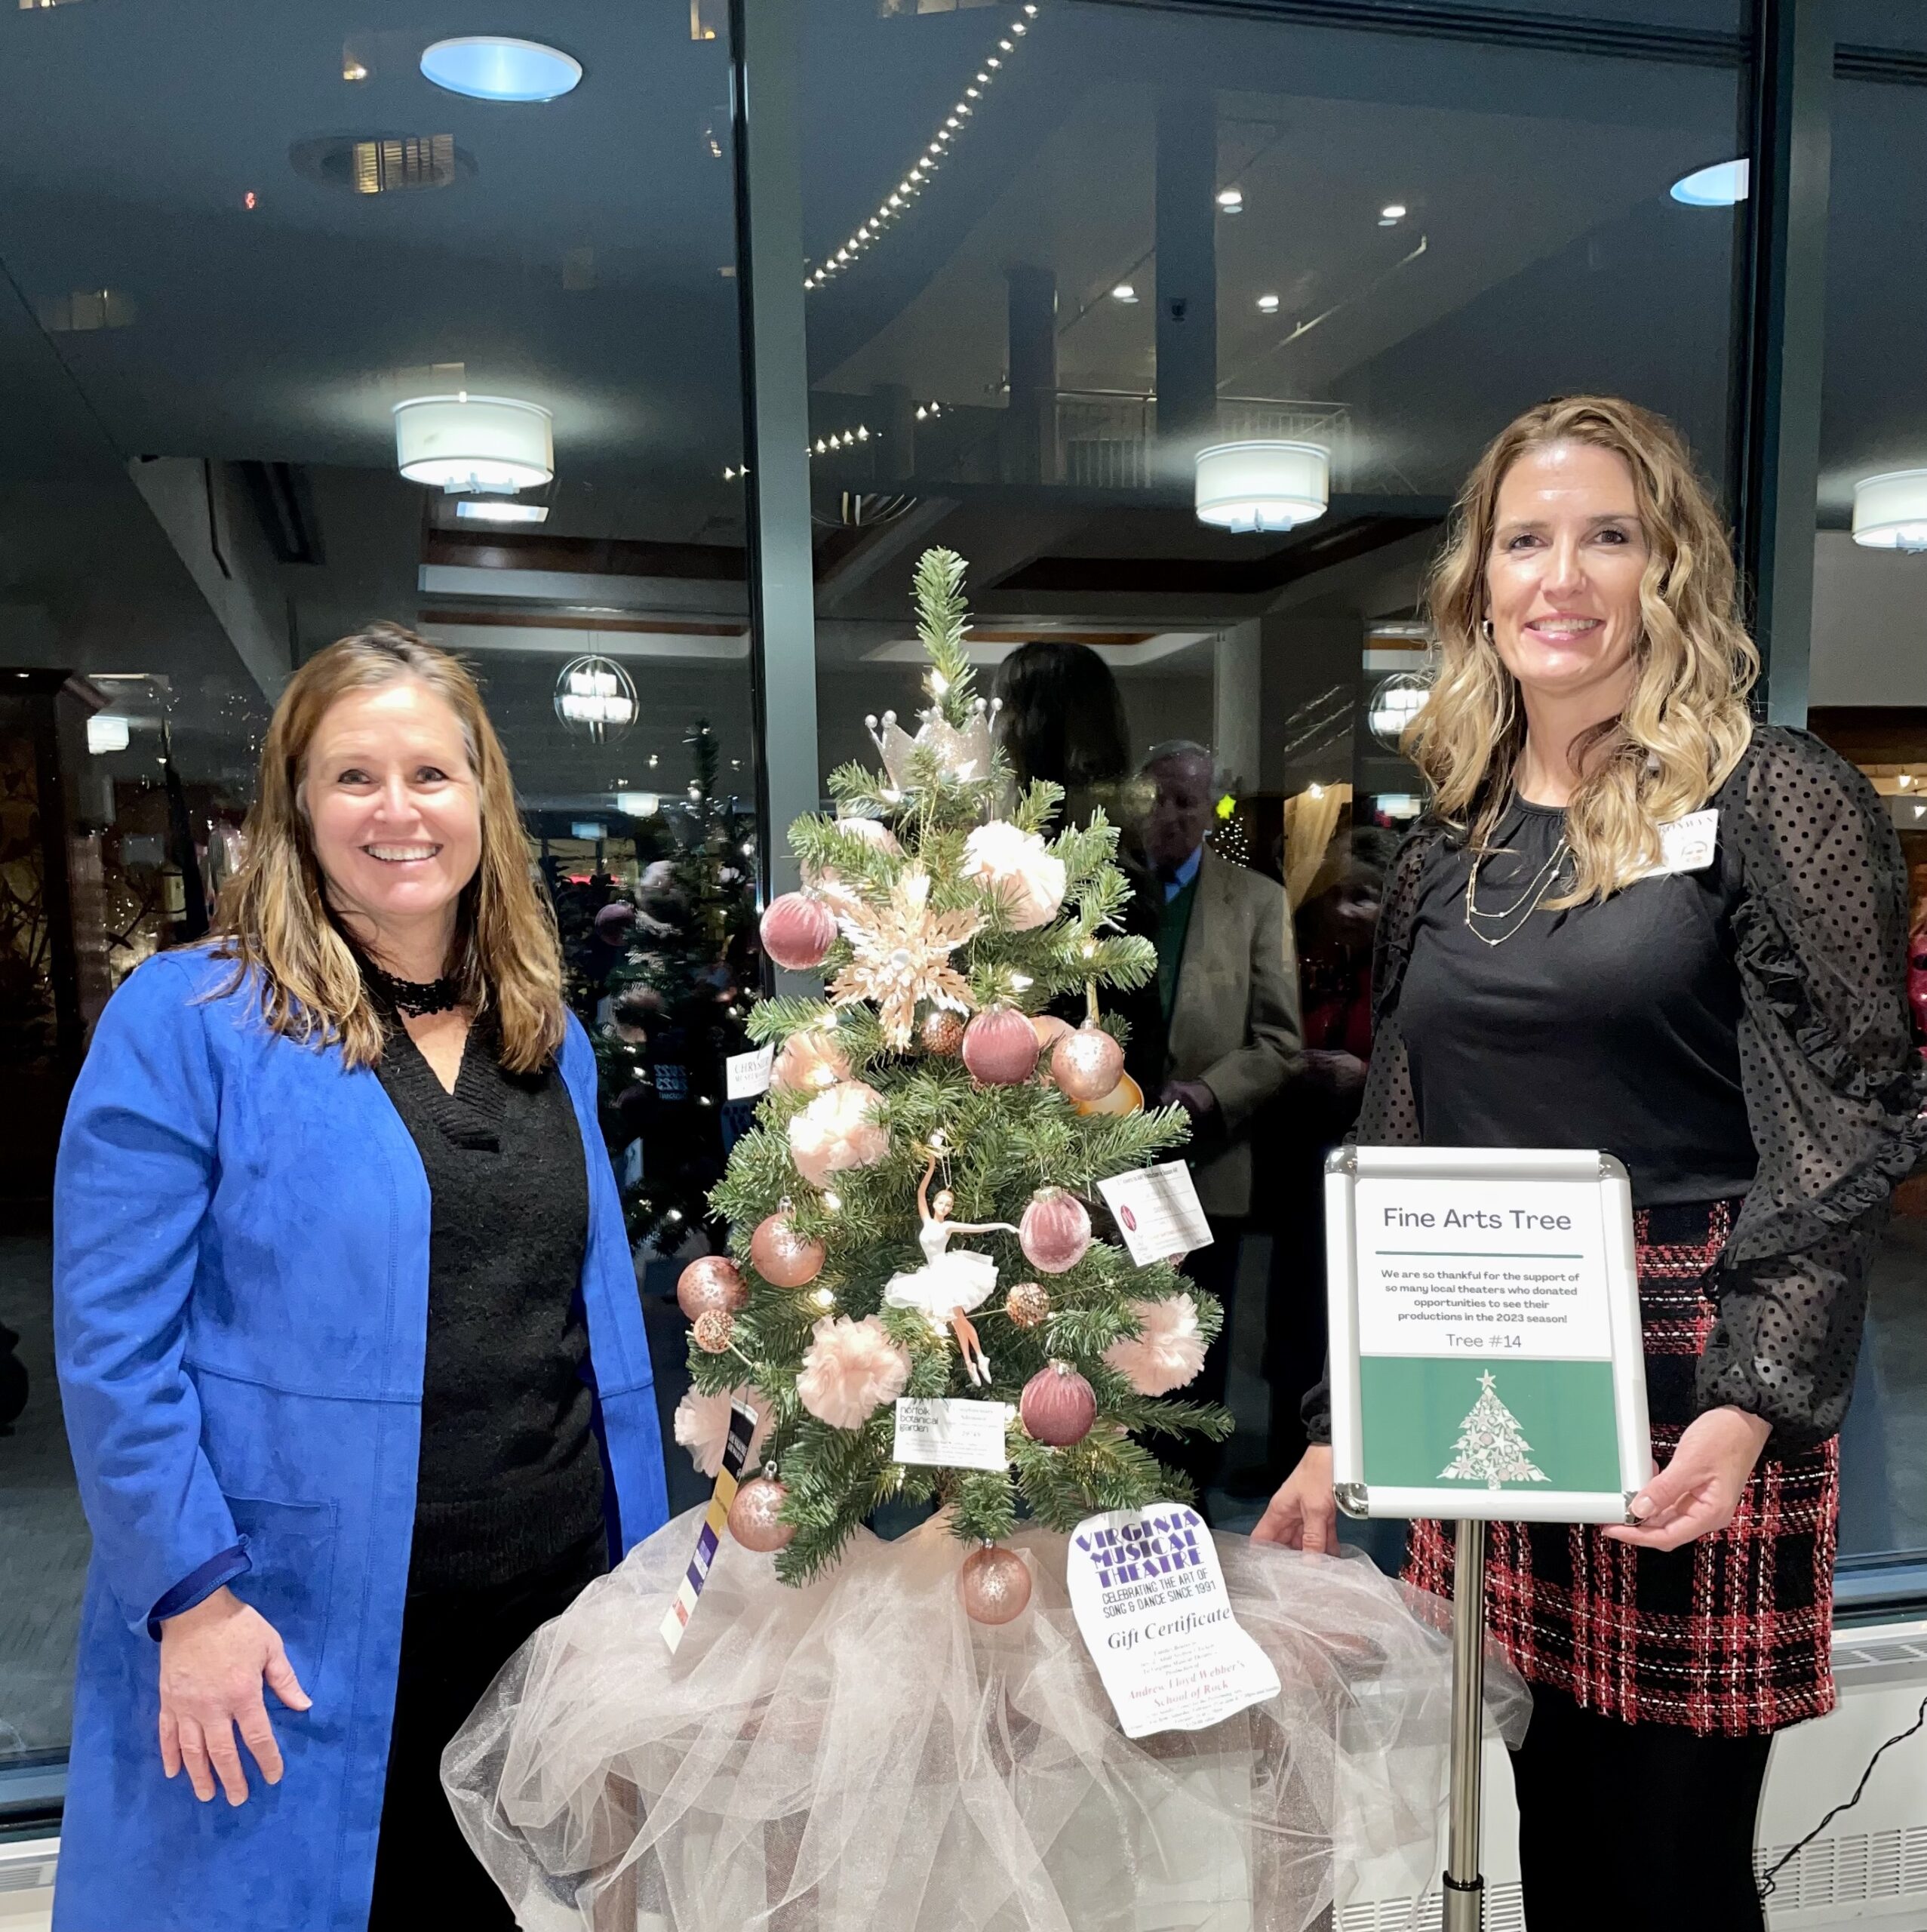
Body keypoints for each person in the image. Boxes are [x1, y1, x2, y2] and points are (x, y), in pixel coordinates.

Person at [1255, 397, 1927, 1930]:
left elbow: (1847, 1114)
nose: (1561, 575)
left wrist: (1754, 1403)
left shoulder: (1770, 798)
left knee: (1668, 1872)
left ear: (1666, 570)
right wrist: (1332, 1426)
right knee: (1548, 1834)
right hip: (1483, 1367)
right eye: (1524, 538)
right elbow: (1397, 1142)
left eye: (1606, 535)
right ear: (1478, 580)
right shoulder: (1447, 843)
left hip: (1697, 1375)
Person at [52, 623, 670, 1932]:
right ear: (296, 806)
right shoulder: (189, 1022)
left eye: (431, 776)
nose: (398, 811)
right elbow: (116, 1350)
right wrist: (193, 1599)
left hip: (540, 1614)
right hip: (289, 1628)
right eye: (353, 777)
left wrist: (641, 1583)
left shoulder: (541, 1031)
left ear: (482, 802)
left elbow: (585, 1312)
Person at [1139, 739, 1301, 1500]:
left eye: (1186, 802)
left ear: (1210, 812)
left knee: (1194, 1340)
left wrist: (1207, 1092)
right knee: (1112, 1336)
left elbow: (1279, 1041)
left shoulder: (1257, 902)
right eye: (1157, 797)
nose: (1168, 815)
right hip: (1104, 1167)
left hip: (1205, 1162)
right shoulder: (1099, 895)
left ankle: (1187, 1500)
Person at [992, 641, 1166, 1095]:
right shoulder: (1121, 846)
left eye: (1006, 710)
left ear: (1034, 727)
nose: (995, 728)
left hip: (1073, 1109)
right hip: (1112, 1099)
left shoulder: (1061, 864)